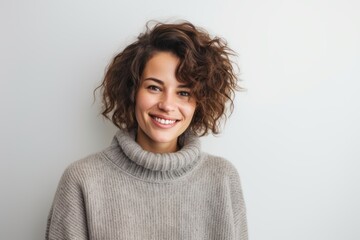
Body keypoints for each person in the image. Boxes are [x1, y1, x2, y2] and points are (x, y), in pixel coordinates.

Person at [45, 21, 248, 240]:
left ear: (200, 101)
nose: (167, 105)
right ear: (132, 91)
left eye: (184, 92)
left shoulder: (223, 179)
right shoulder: (82, 180)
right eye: (154, 87)